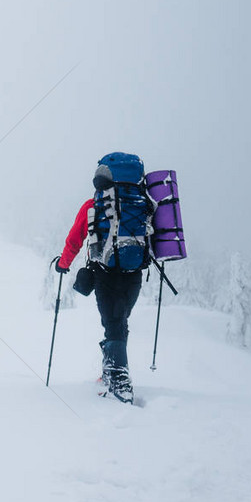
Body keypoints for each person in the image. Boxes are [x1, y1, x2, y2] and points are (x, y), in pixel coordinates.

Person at [54, 157, 146, 404]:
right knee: (119, 320)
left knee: (113, 321)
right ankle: (109, 373)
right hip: (134, 272)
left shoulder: (91, 206)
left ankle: (120, 382)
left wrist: (63, 264)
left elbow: (75, 239)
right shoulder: (142, 202)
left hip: (104, 272)